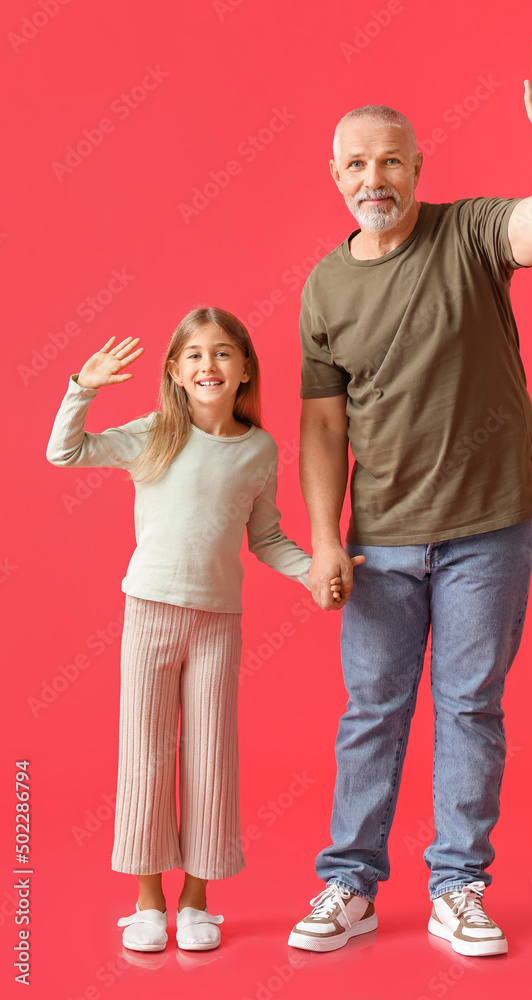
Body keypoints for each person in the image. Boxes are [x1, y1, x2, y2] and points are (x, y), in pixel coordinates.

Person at [289, 36, 532, 956]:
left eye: (389, 160)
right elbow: (322, 427)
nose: (372, 175)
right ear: (334, 175)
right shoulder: (325, 286)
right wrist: (325, 538)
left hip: (486, 531)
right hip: (378, 539)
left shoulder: (466, 231)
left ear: (417, 166)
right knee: (370, 710)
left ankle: (458, 885)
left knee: (469, 708)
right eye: (355, 162)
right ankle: (350, 885)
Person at [46, 306, 361, 952]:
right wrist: (83, 385)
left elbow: (266, 537)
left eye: (221, 353)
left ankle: (196, 902)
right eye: (193, 355)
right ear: (174, 371)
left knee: (210, 759)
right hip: (149, 615)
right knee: (146, 757)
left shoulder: (257, 450)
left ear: (244, 369)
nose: (207, 365)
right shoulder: (152, 435)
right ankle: (146, 904)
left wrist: (312, 571)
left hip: (218, 623)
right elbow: (63, 451)